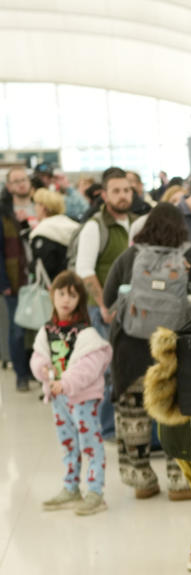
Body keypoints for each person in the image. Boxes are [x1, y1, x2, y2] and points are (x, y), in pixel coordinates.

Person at [103, 202, 191, 501]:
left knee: (133, 416)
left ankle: (142, 480)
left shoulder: (131, 255)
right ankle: (179, 481)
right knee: (175, 413)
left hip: (130, 350)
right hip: (175, 348)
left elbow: (108, 298)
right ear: (180, 228)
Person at [30, 270, 112, 516]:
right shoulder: (47, 331)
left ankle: (95, 492)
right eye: (61, 293)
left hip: (82, 399)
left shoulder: (86, 334)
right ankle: (70, 487)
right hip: (59, 400)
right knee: (67, 444)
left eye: (72, 295)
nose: (66, 299)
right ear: (52, 295)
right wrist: (42, 370)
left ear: (80, 300)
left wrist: (65, 382)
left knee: (90, 443)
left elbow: (88, 368)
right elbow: (38, 357)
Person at [75, 166, 138, 438]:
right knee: (108, 370)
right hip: (103, 309)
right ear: (104, 194)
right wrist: (104, 306)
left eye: (126, 190)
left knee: (127, 367)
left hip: (132, 309)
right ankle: (108, 428)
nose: (123, 196)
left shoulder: (136, 221)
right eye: (116, 191)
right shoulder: (94, 227)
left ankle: (124, 425)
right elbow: (85, 271)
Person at [1, 181, 31, 391]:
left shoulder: (16, 216)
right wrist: (3, 282)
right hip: (13, 281)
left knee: (32, 329)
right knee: (17, 328)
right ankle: (21, 374)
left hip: (32, 278)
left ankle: (31, 371)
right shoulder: (3, 217)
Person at [30, 188, 79, 281]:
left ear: (43, 207)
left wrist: (30, 266)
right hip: (72, 281)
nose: (34, 208)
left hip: (52, 286)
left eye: (36, 204)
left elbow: (45, 266)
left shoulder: (43, 232)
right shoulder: (71, 225)